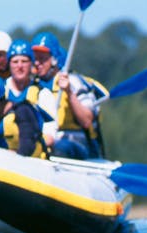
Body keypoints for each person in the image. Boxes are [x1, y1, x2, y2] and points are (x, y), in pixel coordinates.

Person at [31, 31, 102, 159]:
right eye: (35, 58)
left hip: (77, 144)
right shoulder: (33, 86)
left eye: (42, 58)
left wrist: (69, 92)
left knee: (60, 147)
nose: (37, 63)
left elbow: (86, 121)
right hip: (45, 140)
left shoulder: (73, 82)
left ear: (53, 60)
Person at [0, 73, 48, 157]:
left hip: (30, 165)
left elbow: (28, 146)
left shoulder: (23, 111)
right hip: (0, 165)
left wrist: (5, 157)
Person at [4, 39, 57, 149]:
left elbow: (50, 134)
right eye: (15, 62)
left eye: (24, 61)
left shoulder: (43, 94)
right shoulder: (0, 91)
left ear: (31, 64)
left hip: (33, 153)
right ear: (9, 64)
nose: (19, 66)